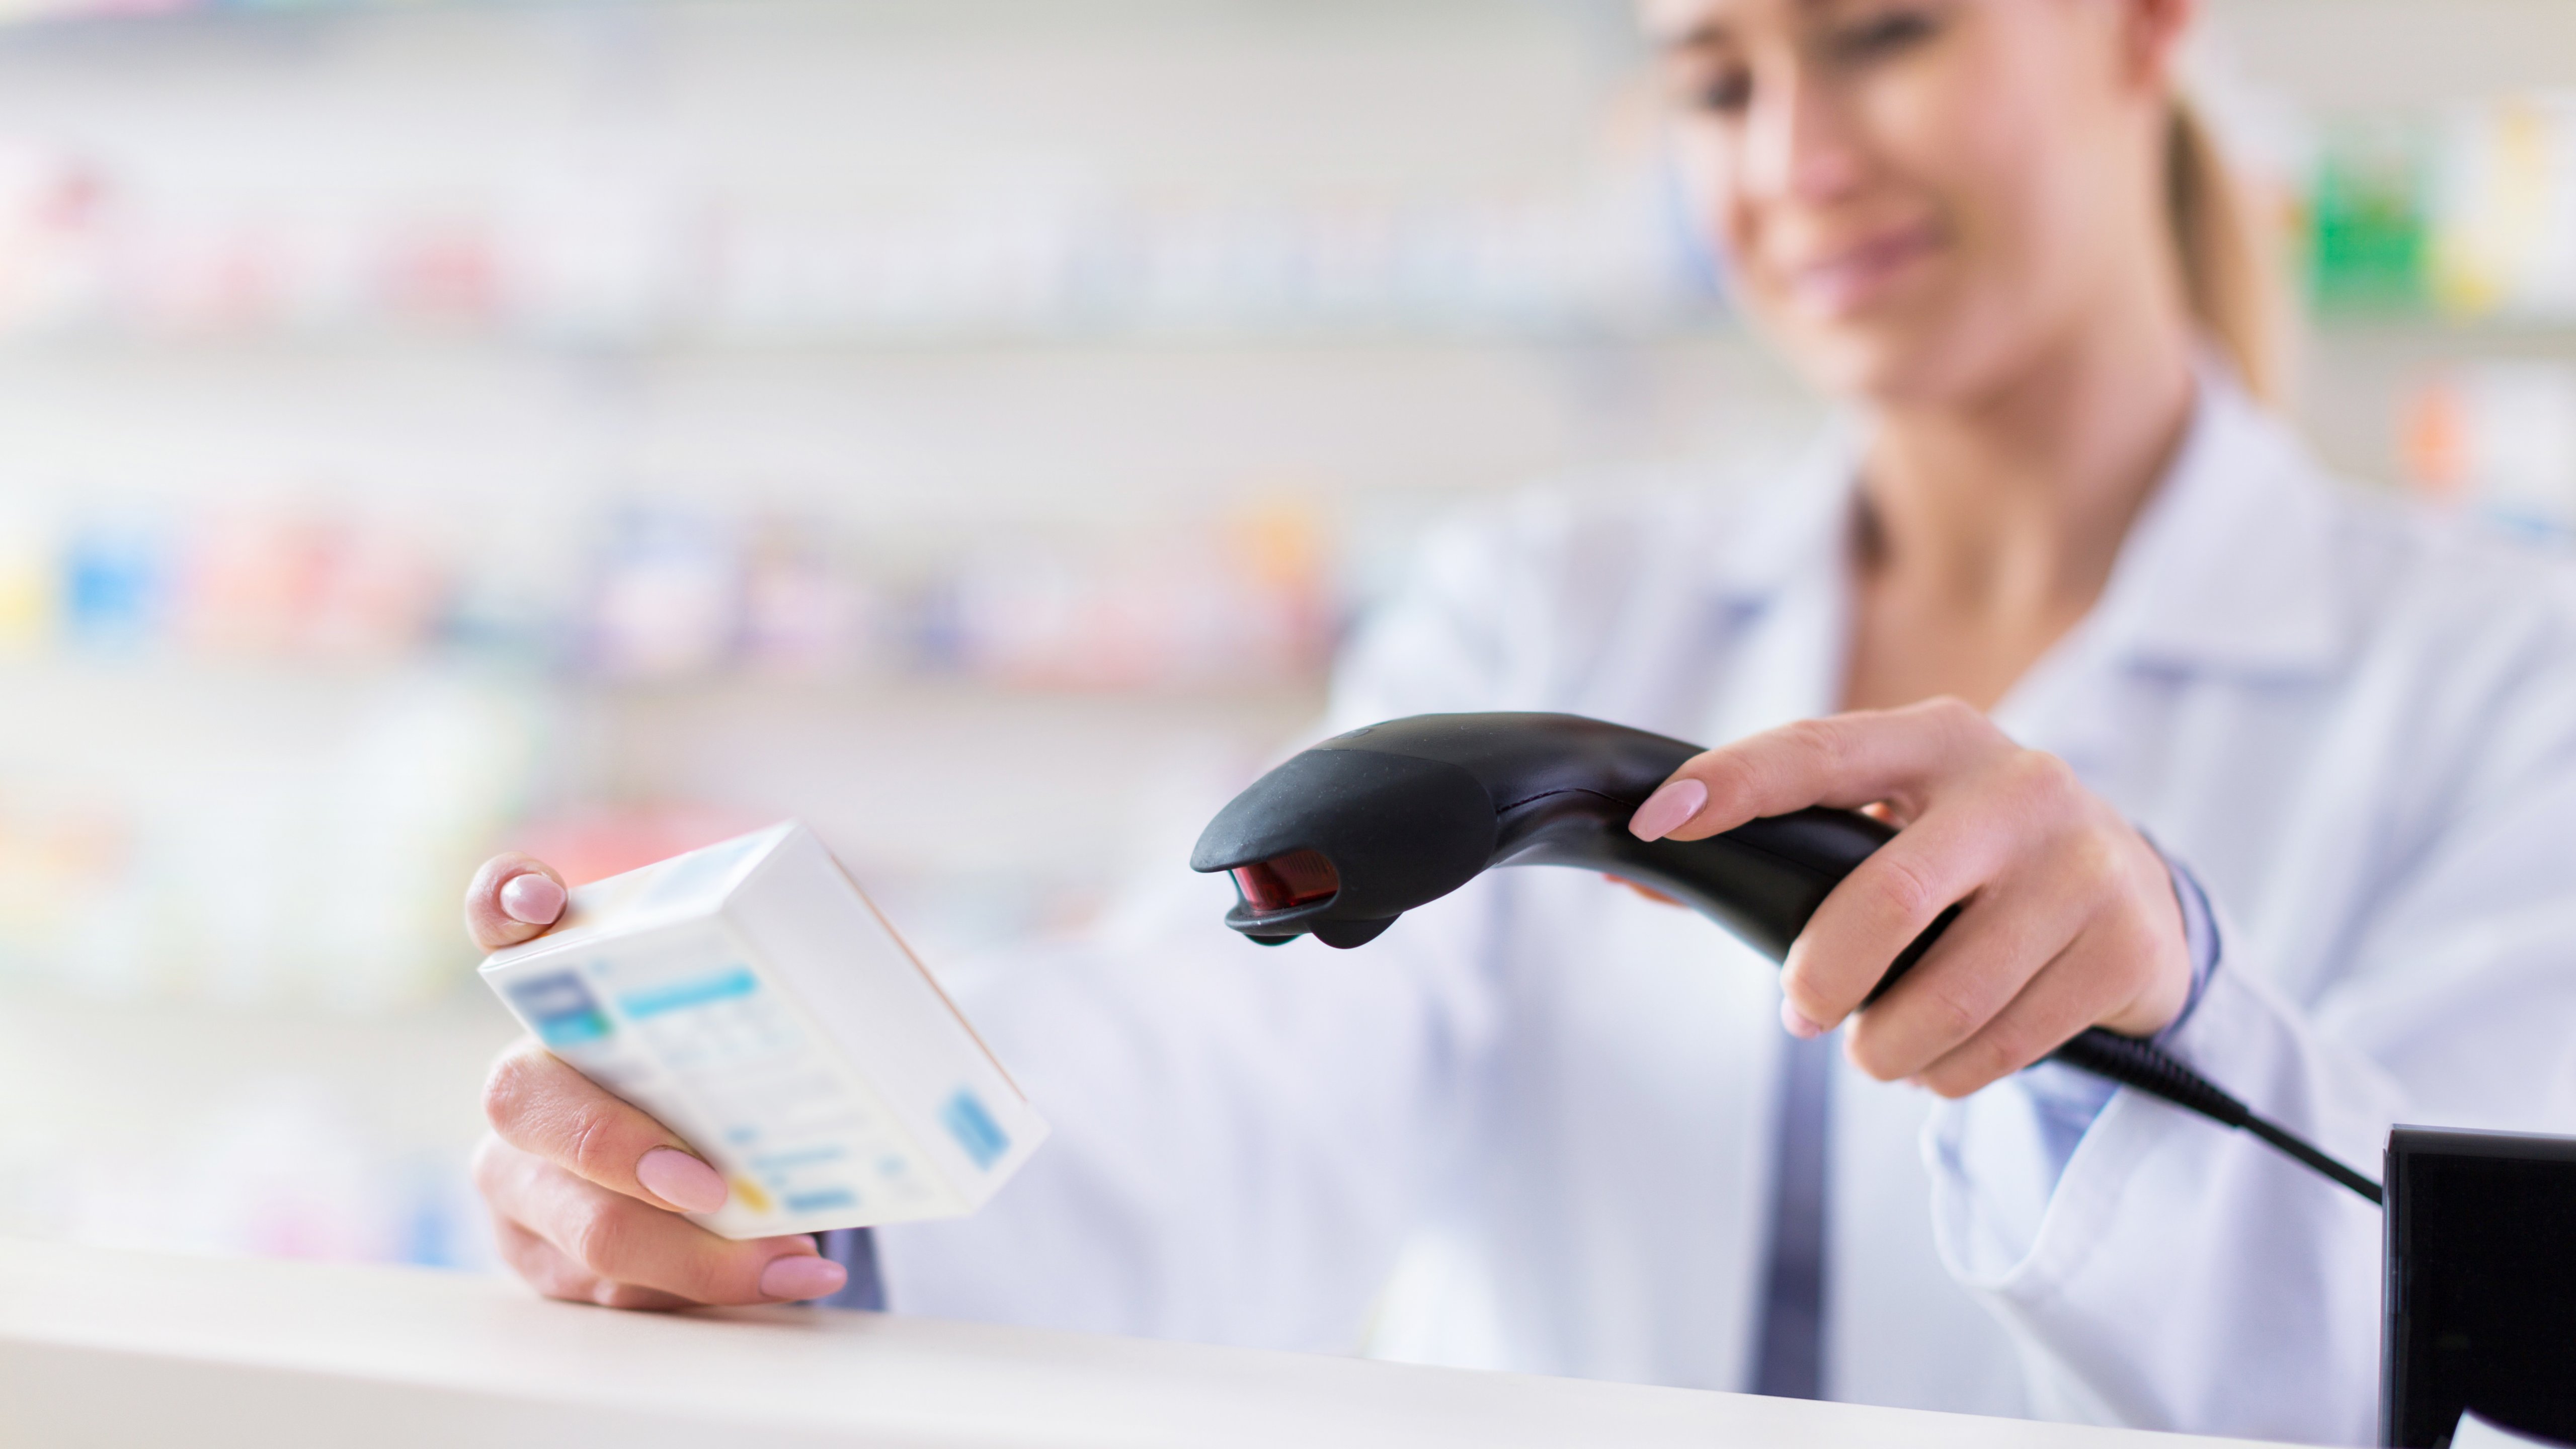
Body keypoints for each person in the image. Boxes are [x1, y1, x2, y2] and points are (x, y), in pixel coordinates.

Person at [460, 0, 2576, 1441]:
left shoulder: (2507, 678)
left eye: (1885, 31)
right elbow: (1238, 1054)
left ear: (2139, 26)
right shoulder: (1546, 597)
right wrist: (806, 1169)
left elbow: (2455, 1349)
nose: (1799, 154)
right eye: (1715, 78)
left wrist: (2164, 1007)